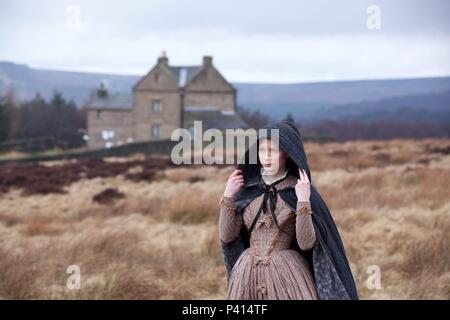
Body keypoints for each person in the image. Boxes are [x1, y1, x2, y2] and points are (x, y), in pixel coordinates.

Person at [218, 118, 358, 300]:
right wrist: (228, 196)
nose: (266, 156)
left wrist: (303, 201)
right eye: (261, 150)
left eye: (272, 151)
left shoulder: (298, 189)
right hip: (246, 275)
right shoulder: (247, 189)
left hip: (286, 276)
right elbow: (227, 236)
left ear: (286, 154)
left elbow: (306, 243)